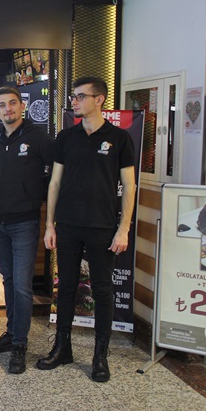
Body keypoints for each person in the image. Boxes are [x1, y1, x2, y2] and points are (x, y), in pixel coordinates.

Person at [37, 76, 136, 383]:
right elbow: (55, 182)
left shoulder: (119, 138)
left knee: (102, 290)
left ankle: (100, 355)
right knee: (66, 286)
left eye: (80, 96)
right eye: (74, 97)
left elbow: (130, 186)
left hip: (102, 226)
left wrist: (123, 229)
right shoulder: (66, 137)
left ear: (99, 99)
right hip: (67, 224)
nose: (74, 101)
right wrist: (50, 224)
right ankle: (62, 348)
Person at [0, 86, 54, 374]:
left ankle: (20, 345)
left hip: (25, 222)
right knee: (9, 280)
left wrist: (46, 209)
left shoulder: (39, 137)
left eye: (12, 103)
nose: (8, 109)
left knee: (23, 286)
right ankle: (12, 332)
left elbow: (57, 173)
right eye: (2, 105)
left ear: (21, 106)